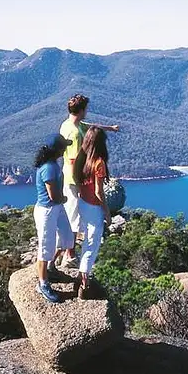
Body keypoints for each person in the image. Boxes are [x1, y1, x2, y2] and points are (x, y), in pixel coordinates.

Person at [59, 94, 119, 266]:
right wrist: (81, 182)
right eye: (86, 108)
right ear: (83, 109)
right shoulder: (75, 134)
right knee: (73, 216)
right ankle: (69, 255)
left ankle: (68, 252)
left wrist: (110, 128)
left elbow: (92, 127)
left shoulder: (69, 124)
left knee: (74, 214)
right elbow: (75, 160)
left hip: (69, 176)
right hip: (73, 179)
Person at [33, 133, 74, 303]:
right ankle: (43, 284)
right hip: (47, 211)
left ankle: (51, 266)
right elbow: (53, 196)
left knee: (67, 238)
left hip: (56, 208)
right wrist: (64, 199)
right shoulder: (49, 168)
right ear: (57, 150)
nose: (66, 149)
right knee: (45, 248)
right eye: (64, 146)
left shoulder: (53, 164)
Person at [72, 127, 111, 299]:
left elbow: (77, 181)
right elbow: (99, 192)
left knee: (86, 240)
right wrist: (107, 213)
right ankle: (83, 284)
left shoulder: (82, 159)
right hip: (94, 207)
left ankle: (81, 275)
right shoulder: (99, 163)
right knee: (92, 244)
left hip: (82, 203)